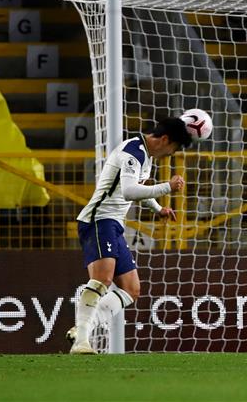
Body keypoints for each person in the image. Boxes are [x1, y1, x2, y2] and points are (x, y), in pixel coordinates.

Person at [67, 118, 192, 354]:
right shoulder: (132, 152)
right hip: (98, 220)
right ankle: (81, 341)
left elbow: (138, 188)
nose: (171, 154)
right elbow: (128, 191)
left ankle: (83, 328)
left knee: (131, 289)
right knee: (102, 280)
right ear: (165, 140)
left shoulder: (145, 155)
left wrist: (158, 209)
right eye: (173, 148)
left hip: (113, 224)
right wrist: (168, 186)